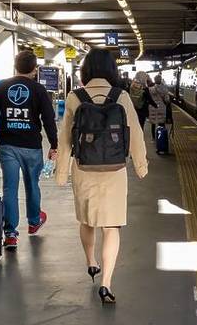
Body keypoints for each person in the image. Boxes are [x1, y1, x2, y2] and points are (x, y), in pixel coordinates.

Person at [56, 50, 147, 303]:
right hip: (115, 171)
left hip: (84, 168)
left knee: (87, 221)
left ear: (85, 70)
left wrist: (61, 173)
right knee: (111, 226)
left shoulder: (75, 97)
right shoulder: (122, 96)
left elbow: (65, 138)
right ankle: (106, 283)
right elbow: (136, 134)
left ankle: (91, 261)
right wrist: (141, 166)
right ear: (111, 70)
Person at [0, 50, 58, 250]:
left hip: (8, 146)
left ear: (15, 66)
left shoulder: (1, 87)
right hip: (32, 147)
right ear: (34, 69)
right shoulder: (39, 90)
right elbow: (48, 120)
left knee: (10, 188)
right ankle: (34, 221)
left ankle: (11, 234)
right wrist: (54, 145)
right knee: (32, 185)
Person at [147, 73, 171, 141]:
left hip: (153, 108)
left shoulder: (150, 89)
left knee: (153, 124)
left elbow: (148, 99)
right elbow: (167, 99)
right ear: (160, 80)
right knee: (161, 123)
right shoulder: (164, 89)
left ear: (154, 80)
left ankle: (153, 138)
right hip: (162, 108)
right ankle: (161, 138)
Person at [128, 70, 151, 134]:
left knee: (134, 126)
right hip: (142, 110)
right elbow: (149, 98)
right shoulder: (144, 87)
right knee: (141, 127)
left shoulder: (131, 86)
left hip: (133, 108)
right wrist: (156, 106)